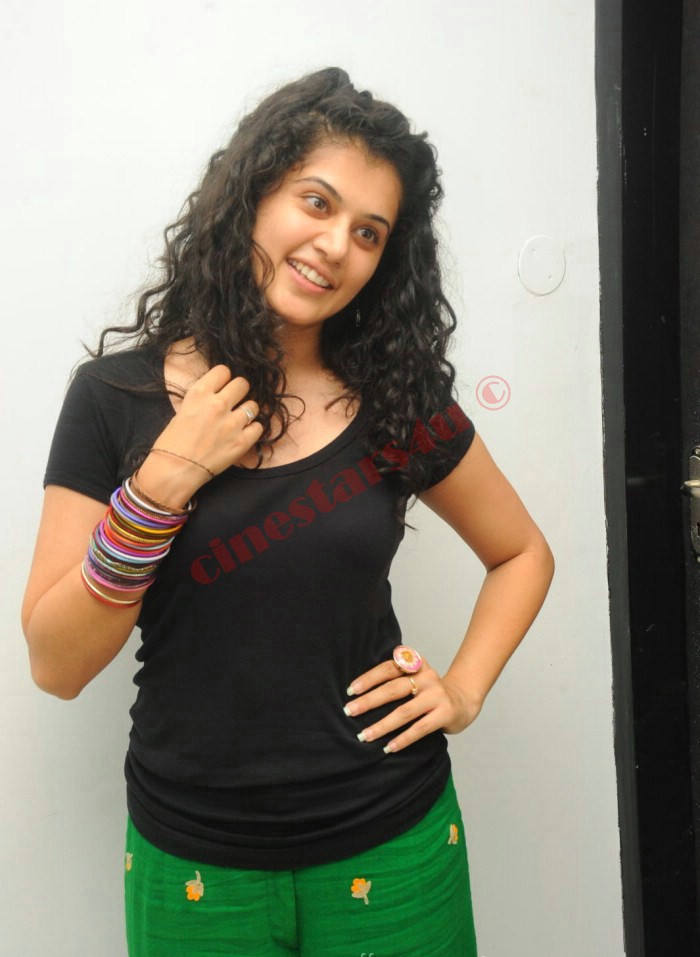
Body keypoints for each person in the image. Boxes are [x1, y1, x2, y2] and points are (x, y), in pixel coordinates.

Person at [22, 67, 554, 957]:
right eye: (316, 201)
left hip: (394, 839)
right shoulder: (114, 398)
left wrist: (462, 689)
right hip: (194, 858)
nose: (336, 244)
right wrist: (159, 487)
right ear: (253, 195)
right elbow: (56, 664)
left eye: (368, 232)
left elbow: (522, 552)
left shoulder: (397, 398)